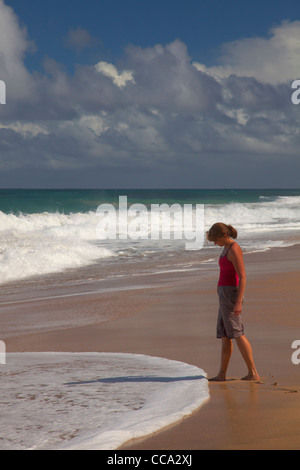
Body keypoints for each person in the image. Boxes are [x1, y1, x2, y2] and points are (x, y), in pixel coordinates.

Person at [206, 222, 260, 382]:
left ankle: (253, 373)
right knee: (225, 335)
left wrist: (238, 302)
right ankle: (222, 374)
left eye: (216, 240)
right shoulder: (225, 248)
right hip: (224, 294)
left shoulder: (234, 249)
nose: (215, 243)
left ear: (224, 236)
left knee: (237, 333)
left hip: (231, 294)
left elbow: (242, 276)